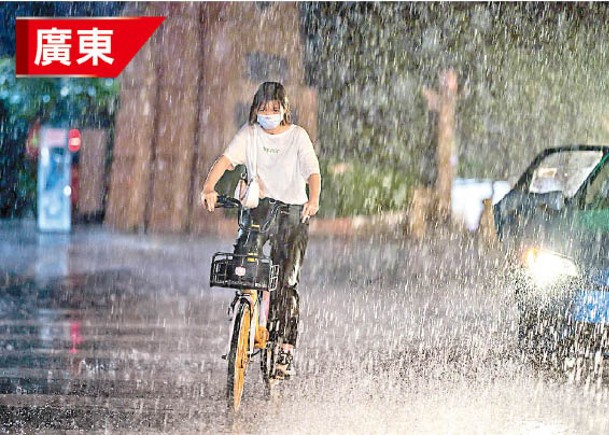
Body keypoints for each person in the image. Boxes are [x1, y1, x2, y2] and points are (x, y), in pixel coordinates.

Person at [201, 82, 321, 379]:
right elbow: (226, 161)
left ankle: (285, 349)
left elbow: (313, 171)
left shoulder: (298, 137)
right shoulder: (249, 134)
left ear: (284, 110)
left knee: (286, 281)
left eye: (274, 109)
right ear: (255, 109)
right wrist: (208, 187)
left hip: (293, 212)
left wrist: (314, 199)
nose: (268, 114)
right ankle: (244, 316)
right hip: (259, 208)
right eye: (263, 108)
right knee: (244, 260)